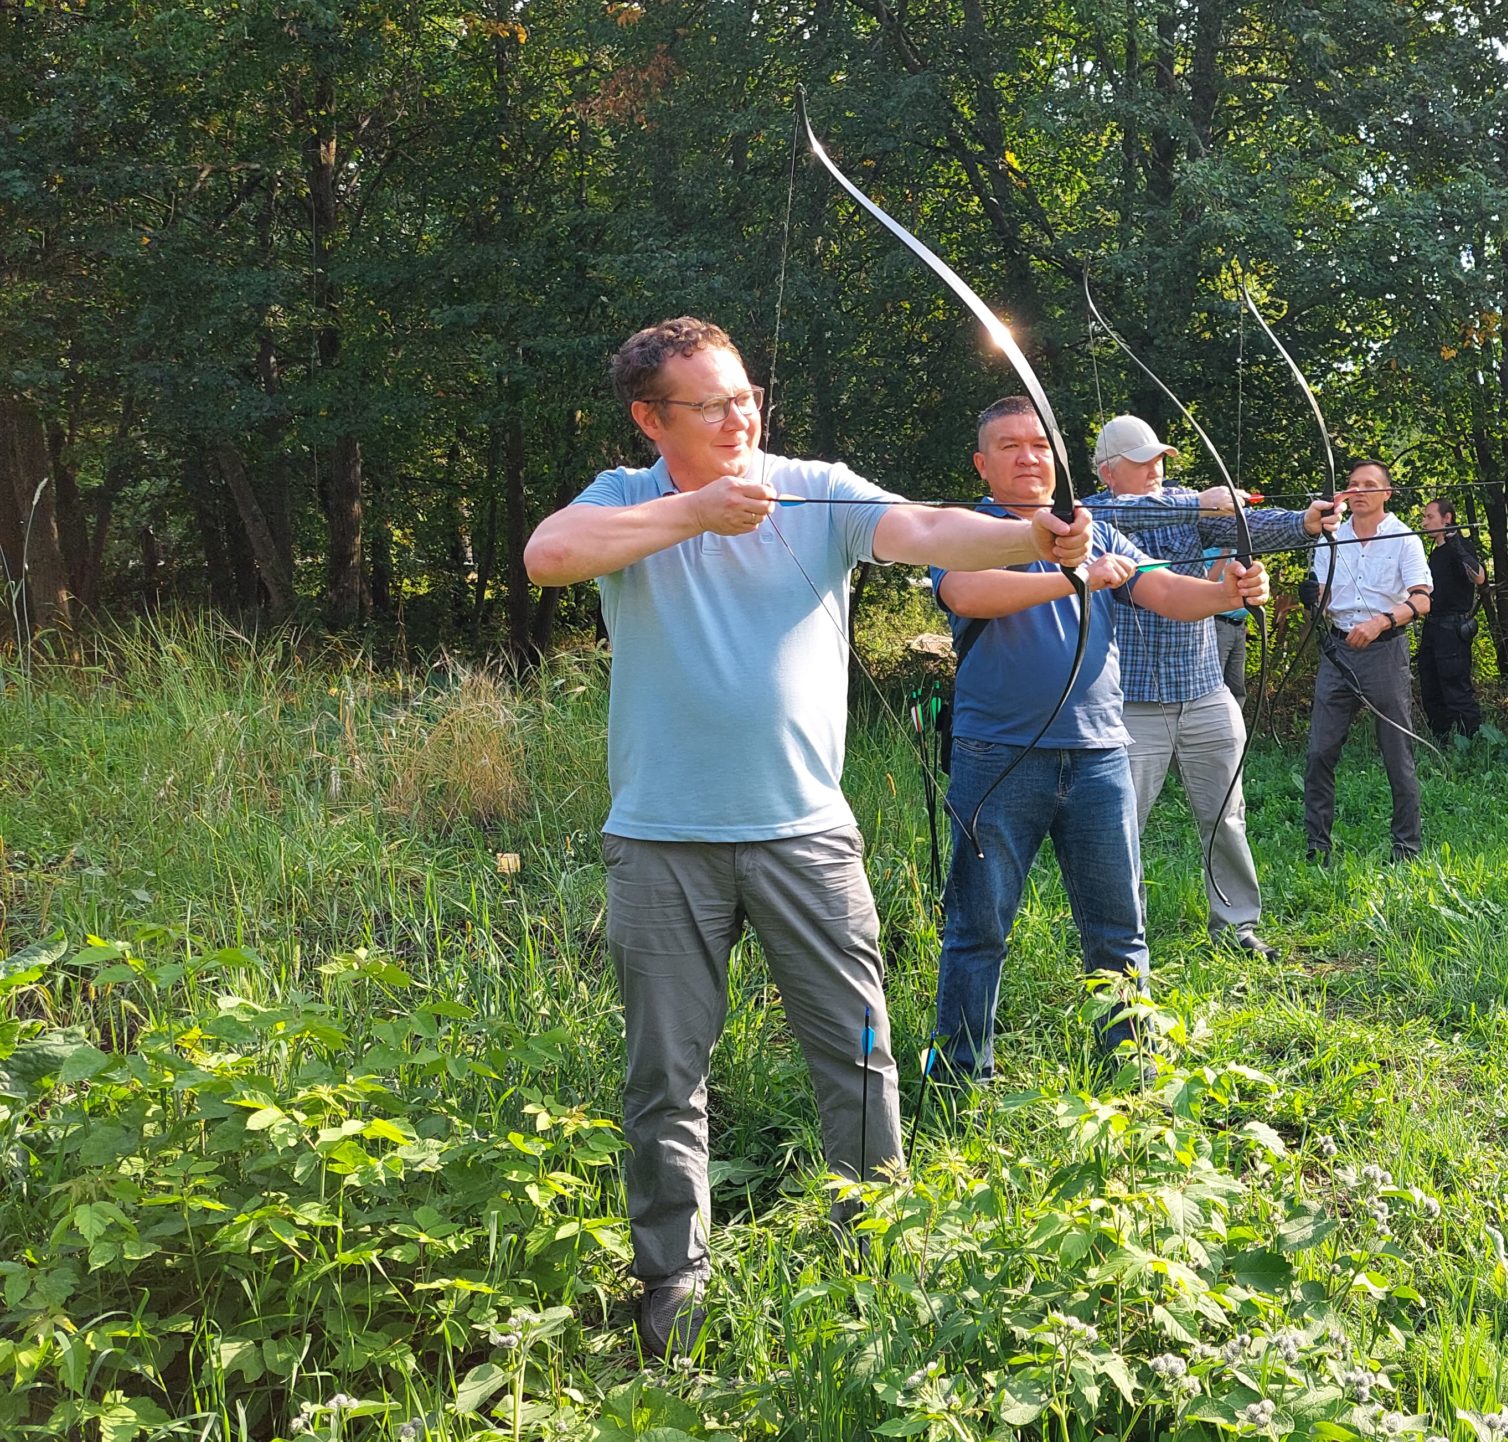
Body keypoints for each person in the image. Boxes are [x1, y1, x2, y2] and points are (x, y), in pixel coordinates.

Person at [521, 317, 1092, 1362]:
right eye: (711, 403)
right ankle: (671, 1293)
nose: (741, 416)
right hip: (659, 839)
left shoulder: (812, 487)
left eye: (746, 395)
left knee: (861, 1057)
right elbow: (547, 555)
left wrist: (1032, 536)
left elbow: (922, 528)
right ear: (653, 419)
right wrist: (696, 512)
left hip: (806, 837)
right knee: (663, 1077)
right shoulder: (625, 497)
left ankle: (875, 1264)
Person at [926, 397, 1270, 1087]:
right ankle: (961, 1077)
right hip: (998, 756)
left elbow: (1165, 591)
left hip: (1099, 754)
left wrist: (1227, 591)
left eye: (1039, 445)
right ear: (982, 463)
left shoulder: (1096, 529)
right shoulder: (961, 530)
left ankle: (1132, 1072)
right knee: (978, 929)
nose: (1029, 457)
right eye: (1010, 446)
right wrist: (1072, 576)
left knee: (1119, 930)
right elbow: (966, 594)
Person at [1082, 414, 1337, 957]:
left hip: (1203, 693)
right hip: (1132, 706)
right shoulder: (1097, 514)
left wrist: (1306, 523)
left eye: (1158, 458)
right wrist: (1200, 501)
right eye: (1139, 460)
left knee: (1226, 816)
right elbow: (1116, 514)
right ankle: (1124, 942)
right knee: (1121, 830)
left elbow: (1244, 525)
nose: (1154, 468)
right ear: (1107, 470)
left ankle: (1238, 926)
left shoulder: (1185, 507)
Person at [1301, 458, 1432, 864]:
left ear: (1386, 493)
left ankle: (1406, 847)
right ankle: (1317, 847)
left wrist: (1380, 622)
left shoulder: (1404, 538)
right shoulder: (1329, 537)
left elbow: (1423, 599)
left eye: (1369, 484)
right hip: (1338, 651)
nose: (1358, 491)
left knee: (1397, 750)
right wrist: (1311, 598)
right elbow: (1321, 597)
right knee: (1320, 751)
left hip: (1385, 650)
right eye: (1352, 484)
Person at [1415, 497, 1485, 743]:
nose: (1424, 522)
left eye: (1429, 517)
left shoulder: (1462, 546)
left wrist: (1456, 543)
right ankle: (1441, 742)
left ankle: (1472, 745)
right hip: (1432, 626)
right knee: (1431, 689)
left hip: (1452, 629)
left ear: (1447, 518)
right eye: (1424, 518)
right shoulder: (1434, 554)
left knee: (1457, 690)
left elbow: (1479, 577)